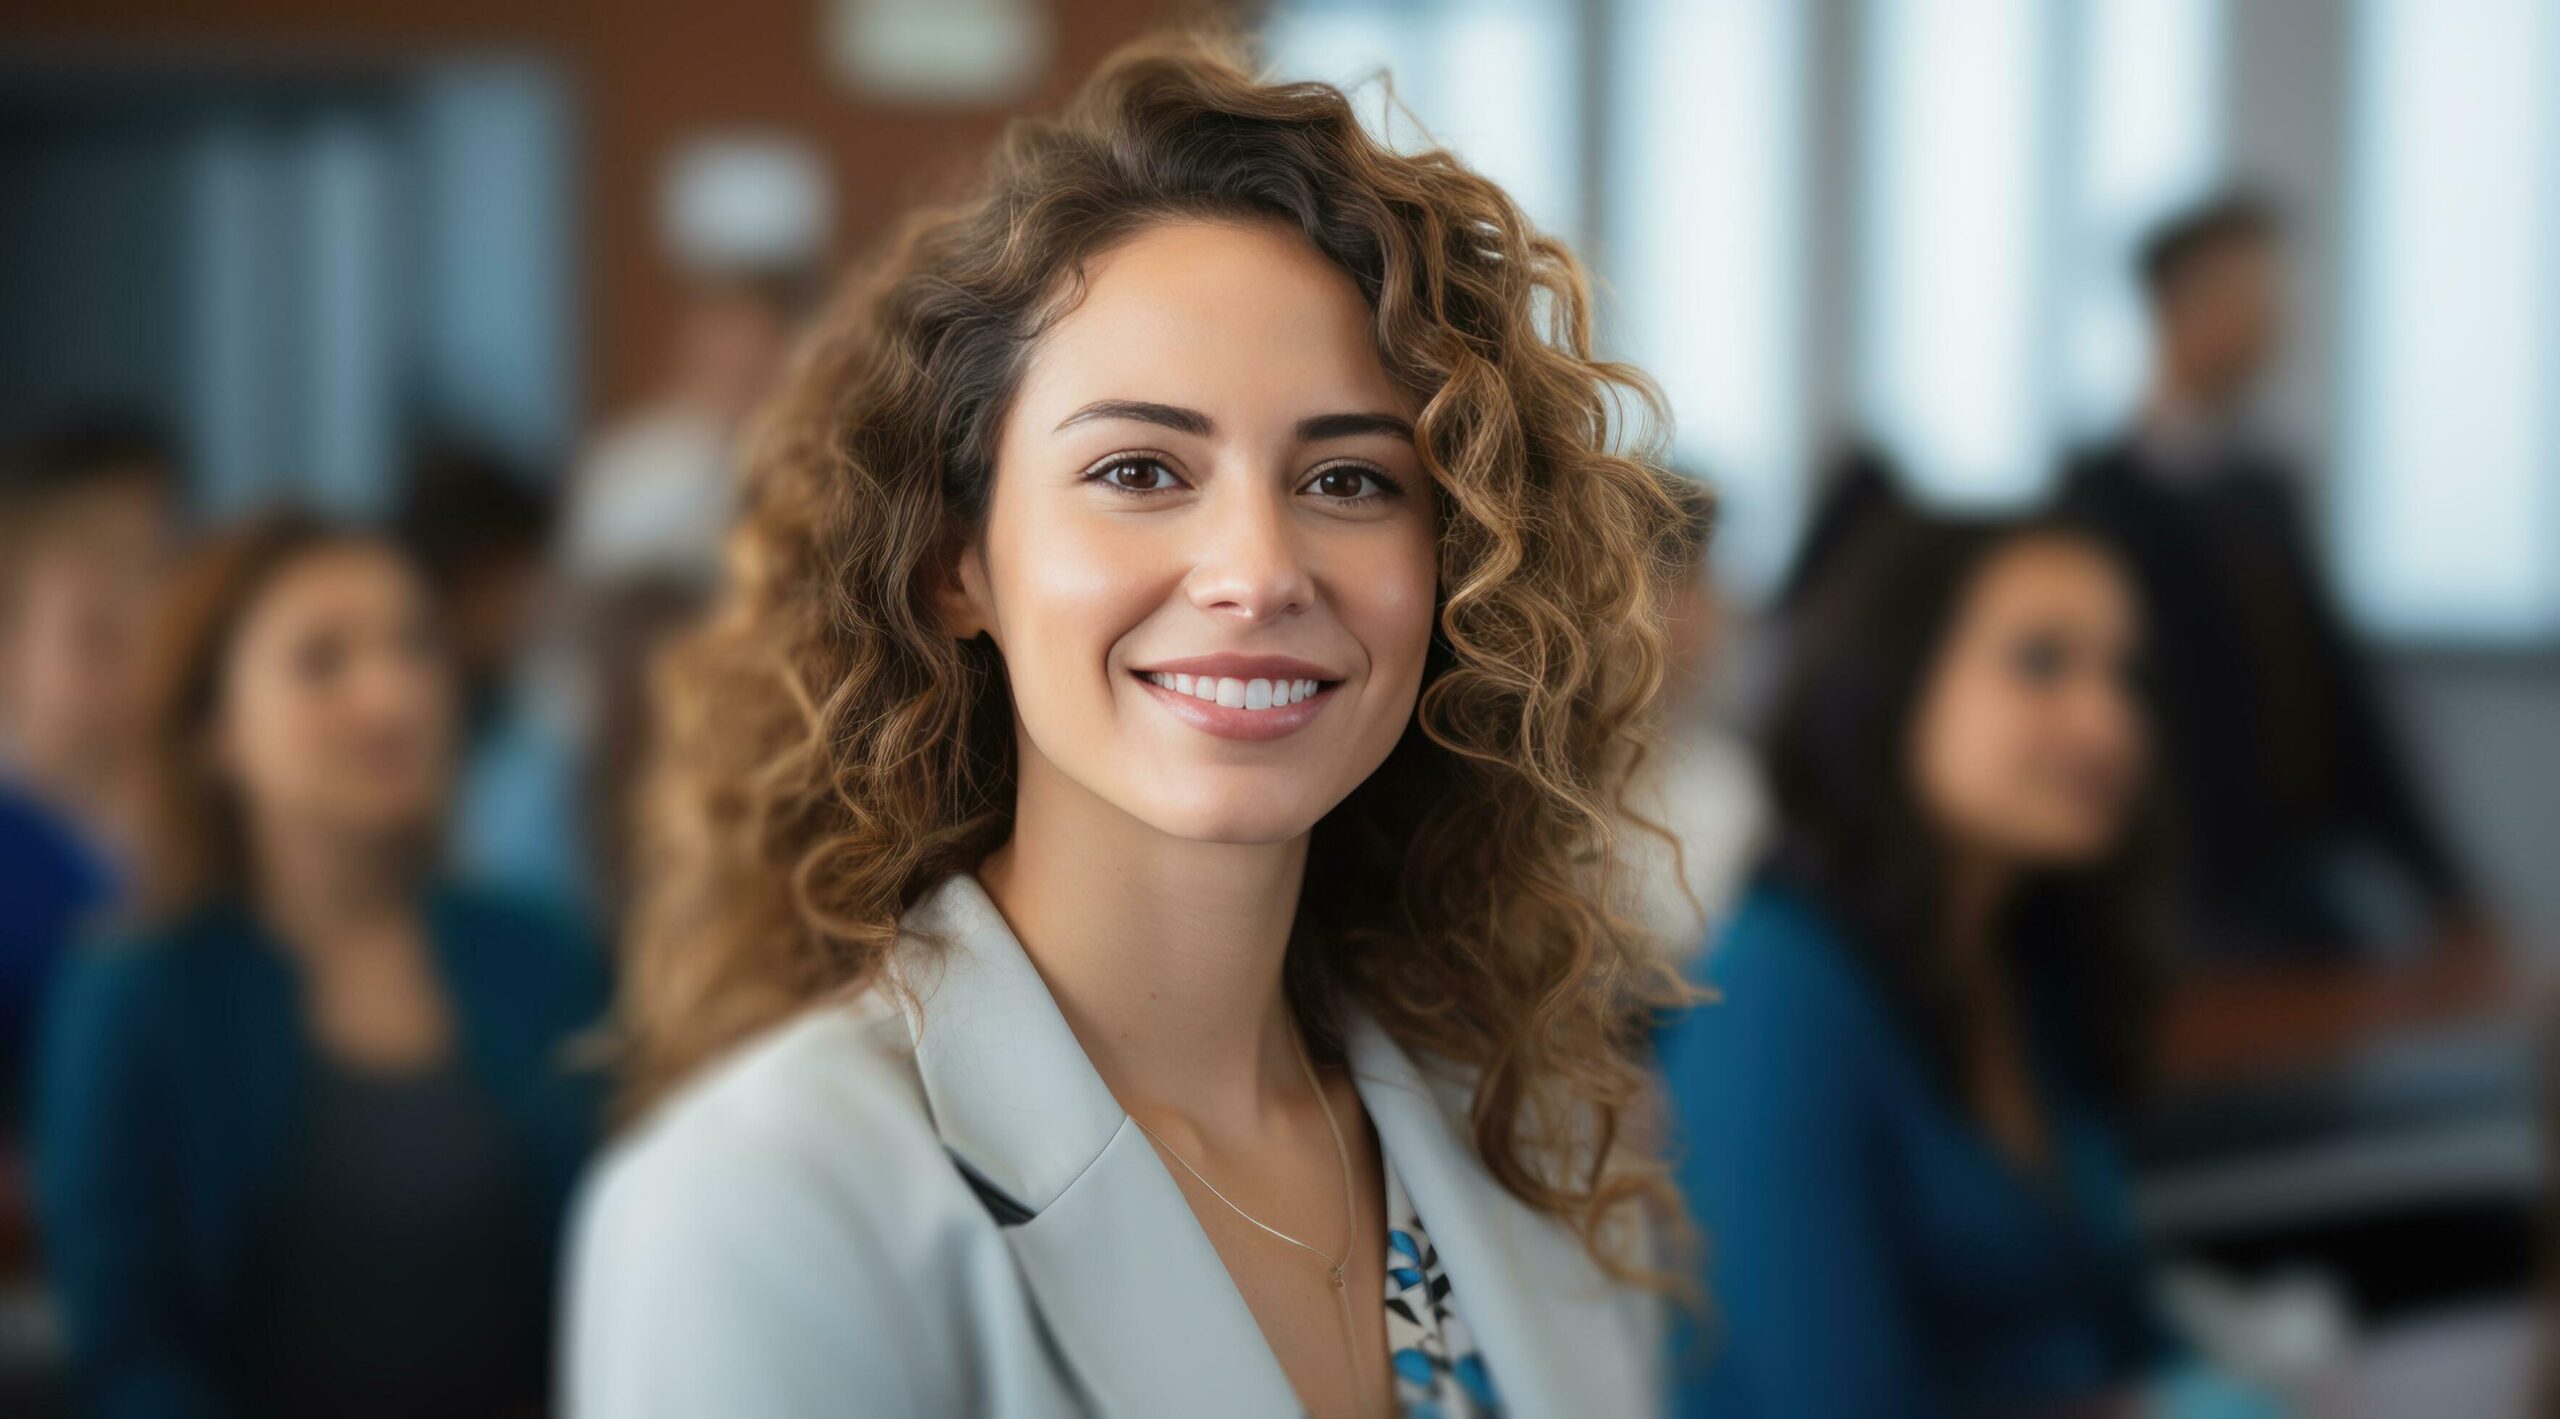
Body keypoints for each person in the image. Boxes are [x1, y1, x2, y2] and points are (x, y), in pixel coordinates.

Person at [567, 34, 1696, 1419]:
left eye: (1348, 476)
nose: (1259, 568)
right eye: (1140, 469)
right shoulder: (769, 1202)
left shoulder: (1535, 1149)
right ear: (955, 560)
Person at [33, 513, 607, 1419]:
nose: (390, 696)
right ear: (214, 729)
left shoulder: (543, 953)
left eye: (414, 646)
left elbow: (601, 1297)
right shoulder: (133, 992)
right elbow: (128, 1356)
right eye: (321, 661)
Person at [1660, 515, 2172, 1416]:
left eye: (2123, 674)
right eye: (2042, 662)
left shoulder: (2016, 960)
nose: (2108, 722)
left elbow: (2120, 1325)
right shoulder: (1777, 995)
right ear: (1893, 680)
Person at [2060, 194, 2478, 962]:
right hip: (2165, 907)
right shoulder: (2093, 500)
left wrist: (2449, 886)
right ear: (2180, 305)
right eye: (2254, 299)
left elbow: (2338, 701)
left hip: (2286, 888)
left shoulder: (2265, 494)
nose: (2277, 326)